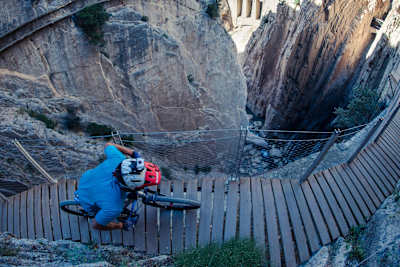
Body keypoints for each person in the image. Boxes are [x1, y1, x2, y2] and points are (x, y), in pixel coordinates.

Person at [75, 142, 146, 231]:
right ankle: (91, 209)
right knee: (104, 213)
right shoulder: (114, 207)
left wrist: (132, 153)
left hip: (87, 179)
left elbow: (108, 145)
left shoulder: (119, 159)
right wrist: (120, 225)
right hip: (87, 199)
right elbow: (95, 225)